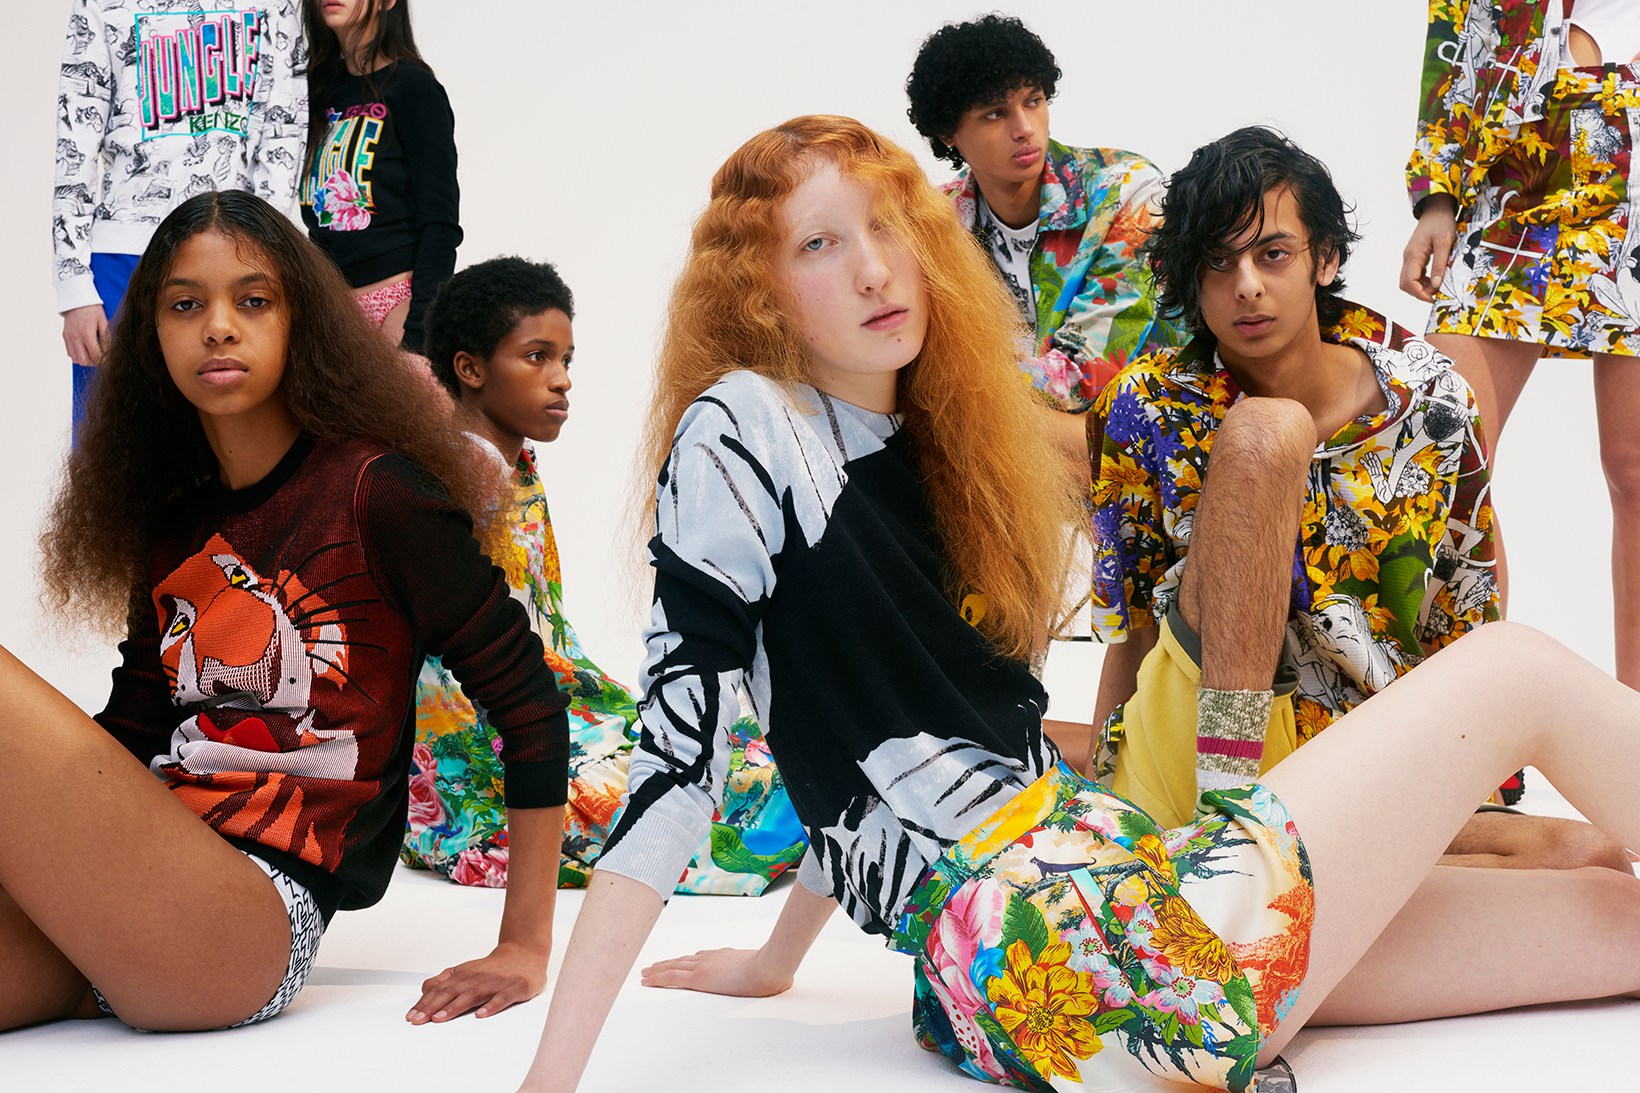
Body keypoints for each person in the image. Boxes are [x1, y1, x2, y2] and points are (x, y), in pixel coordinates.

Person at [513, 114, 1640, 1093]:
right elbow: (676, 765)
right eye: (820, 244)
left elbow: (870, 740)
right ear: (755, 291)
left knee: (1614, 921)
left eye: (889, 229)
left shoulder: (923, 448)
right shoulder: (743, 420)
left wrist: (776, 959)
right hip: (1077, 940)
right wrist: (545, 1081)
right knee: (1517, 670)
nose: (874, 271)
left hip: (1092, 949)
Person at [8, 190, 564, 1034]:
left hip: (248, 920)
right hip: (132, 903)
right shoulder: (173, 522)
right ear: (151, 335)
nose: (218, 327)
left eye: (253, 300)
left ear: (300, 321)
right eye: (185, 305)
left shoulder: (379, 492)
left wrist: (524, 945)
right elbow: (131, 730)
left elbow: (529, 703)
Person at [1087, 126, 1625, 871]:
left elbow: (1461, 614)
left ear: (1326, 258)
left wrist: (1478, 792)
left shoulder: (1431, 405)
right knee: (1267, 434)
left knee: (1591, 860)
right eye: (1218, 262)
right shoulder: (1147, 406)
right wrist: (1101, 811)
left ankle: (1281, 883)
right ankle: (1228, 835)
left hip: (1348, 770)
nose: (1247, 285)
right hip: (1199, 745)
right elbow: (1136, 630)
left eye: (1273, 254)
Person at [404, 255, 807, 894]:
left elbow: (544, 627)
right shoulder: (454, 481)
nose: (562, 380)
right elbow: (451, 665)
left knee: (745, 747)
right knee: (705, 791)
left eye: (566, 359)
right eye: (536, 357)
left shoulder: (514, 467)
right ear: (470, 369)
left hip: (551, 698)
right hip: (483, 739)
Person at [1401, 0, 1640, 684]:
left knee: (1635, 473)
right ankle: (1480, 703)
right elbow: (1457, 39)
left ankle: (1633, 726)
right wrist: (1437, 199)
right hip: (1516, 176)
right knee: (1442, 442)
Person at [904, 14, 1184, 473]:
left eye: (1033, 101)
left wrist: (957, 393)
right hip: (1018, 450)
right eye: (995, 113)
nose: (1024, 128)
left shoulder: (1126, 192)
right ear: (949, 134)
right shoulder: (936, 225)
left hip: (1150, 438)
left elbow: (1084, 374)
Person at [54, 0, 306, 430]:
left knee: (228, 424)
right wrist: (74, 288)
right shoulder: (100, 4)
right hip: (122, 255)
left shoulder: (273, 5)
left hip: (232, 251)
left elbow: (283, 134)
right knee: (113, 433)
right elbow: (74, 147)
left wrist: (263, 249)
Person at [300, 0, 458, 352]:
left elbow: (440, 223)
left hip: (396, 305)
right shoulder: (313, 92)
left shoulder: (414, 89)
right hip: (329, 312)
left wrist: (417, 334)